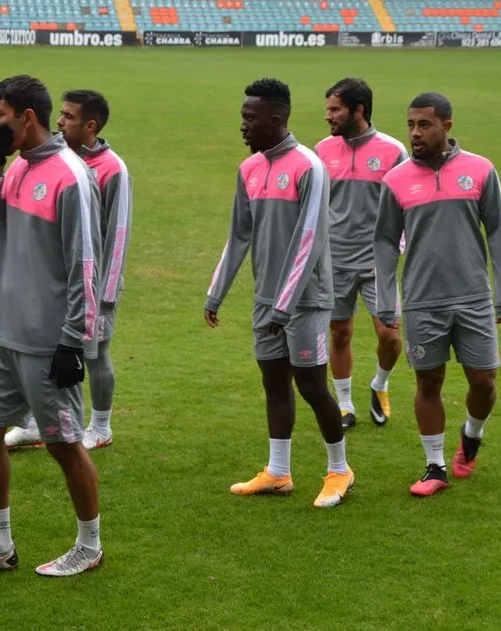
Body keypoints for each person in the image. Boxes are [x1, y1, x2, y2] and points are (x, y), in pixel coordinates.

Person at [0, 75, 105, 577]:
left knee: (64, 445)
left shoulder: (71, 176)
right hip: (1, 336)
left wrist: (73, 342)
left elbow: (85, 265)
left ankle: (89, 546)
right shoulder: (14, 168)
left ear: (26, 117)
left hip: (46, 342)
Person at [204, 77, 354, 508]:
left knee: (311, 385)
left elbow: (310, 238)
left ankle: (340, 470)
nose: (243, 126)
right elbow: (239, 236)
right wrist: (216, 294)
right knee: (273, 381)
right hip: (267, 300)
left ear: (275, 119)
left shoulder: (309, 167)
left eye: (249, 118)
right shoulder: (248, 170)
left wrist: (285, 305)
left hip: (305, 300)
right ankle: (278, 472)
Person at [373, 92, 501, 497]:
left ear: (446, 127)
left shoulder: (481, 170)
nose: (415, 133)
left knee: (484, 381)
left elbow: (498, 232)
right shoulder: (396, 179)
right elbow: (384, 242)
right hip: (422, 300)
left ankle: (472, 434)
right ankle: (434, 466)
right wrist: (386, 300)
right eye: (411, 125)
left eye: (424, 125)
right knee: (429, 381)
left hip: (473, 298)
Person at [5, 88, 132, 451]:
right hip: (53, 283)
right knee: (41, 350)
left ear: (90, 126)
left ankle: (101, 427)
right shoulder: (57, 160)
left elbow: (118, 232)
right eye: (60, 114)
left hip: (94, 285)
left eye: (69, 117)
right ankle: (34, 423)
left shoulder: (112, 169)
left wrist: (106, 294)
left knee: (95, 354)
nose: (59, 122)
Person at [315, 78, 408, 430]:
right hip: (334, 261)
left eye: (335, 109)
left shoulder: (393, 151)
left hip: (376, 263)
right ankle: (344, 404)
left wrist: (396, 249)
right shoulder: (322, 150)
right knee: (340, 333)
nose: (328, 116)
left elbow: (405, 205)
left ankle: (380, 384)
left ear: (358, 110)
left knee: (390, 335)